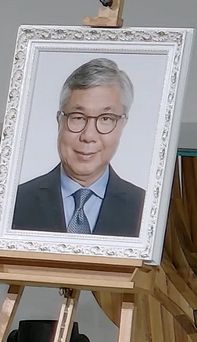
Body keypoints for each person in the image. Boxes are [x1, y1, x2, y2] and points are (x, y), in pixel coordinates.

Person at [11, 58, 145, 237]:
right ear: (60, 120)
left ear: (123, 124)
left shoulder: (145, 208)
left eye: (106, 118)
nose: (88, 136)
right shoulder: (15, 202)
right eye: (78, 117)